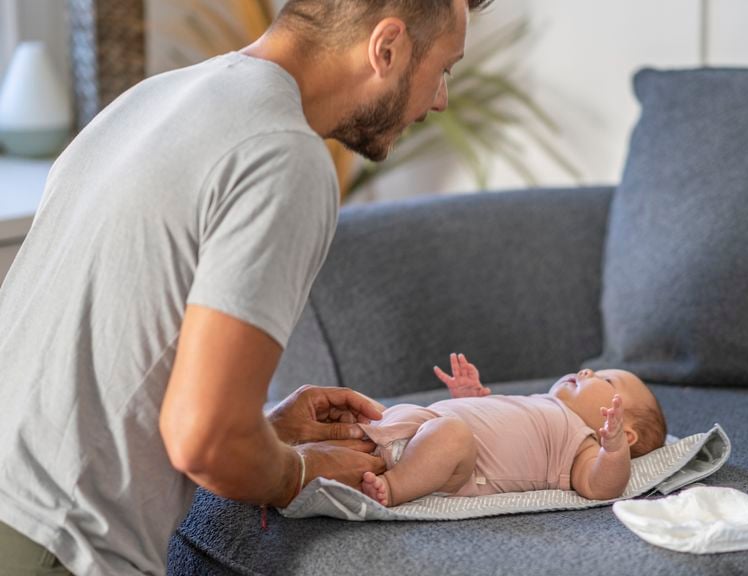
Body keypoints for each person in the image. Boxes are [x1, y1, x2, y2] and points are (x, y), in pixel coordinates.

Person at [0, 0, 494, 574]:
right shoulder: (285, 153)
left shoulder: (148, 101)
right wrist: (295, 471)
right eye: (445, 69)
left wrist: (259, 430)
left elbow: (106, 365)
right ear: (387, 48)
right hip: (48, 544)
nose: (440, 100)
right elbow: (204, 442)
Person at [359, 353, 667, 507]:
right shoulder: (543, 402)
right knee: (362, 406)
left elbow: (601, 488)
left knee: (452, 435)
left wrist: (612, 450)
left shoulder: (583, 443)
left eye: (607, 380)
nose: (587, 370)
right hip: (417, 423)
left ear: (626, 434)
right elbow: (495, 421)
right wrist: (471, 398)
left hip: (449, 464)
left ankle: (394, 486)